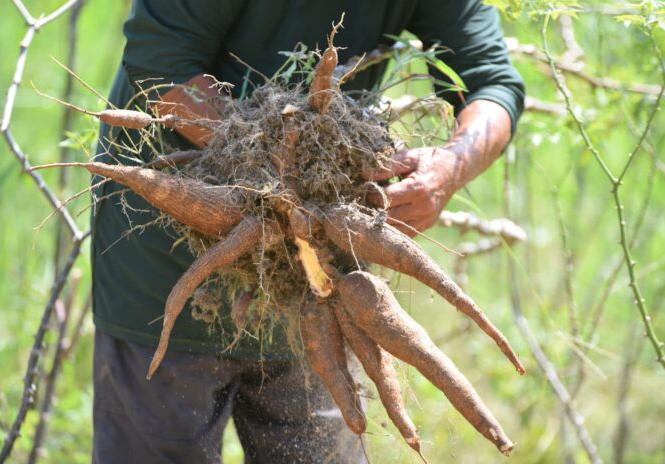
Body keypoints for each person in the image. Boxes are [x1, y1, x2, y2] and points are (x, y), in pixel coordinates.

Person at [90, 1, 525, 462]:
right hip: (168, 248)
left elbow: (492, 81)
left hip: (315, 273)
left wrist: (450, 169)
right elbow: (162, 65)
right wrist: (272, 160)